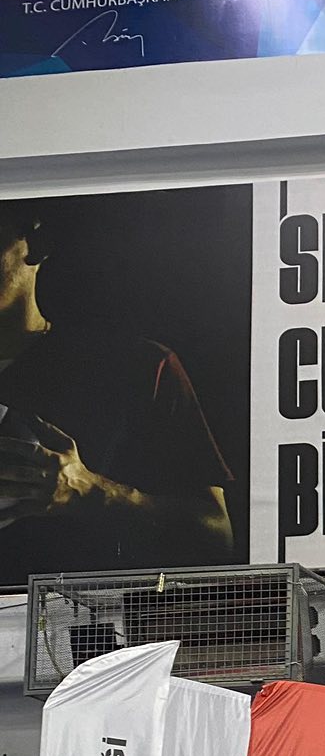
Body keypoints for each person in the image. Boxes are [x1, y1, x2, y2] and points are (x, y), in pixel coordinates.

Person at [0, 200, 234, 582]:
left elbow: (216, 536)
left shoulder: (136, 367)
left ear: (37, 242)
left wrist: (92, 493)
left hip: (76, 619)